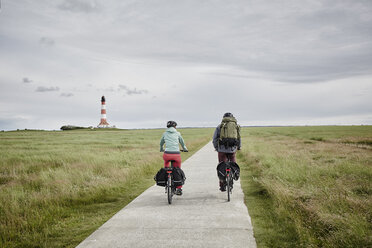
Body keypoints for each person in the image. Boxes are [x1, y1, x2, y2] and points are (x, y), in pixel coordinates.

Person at [213, 112, 241, 191]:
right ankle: (233, 176)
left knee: (221, 166)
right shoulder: (236, 126)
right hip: (232, 150)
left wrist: (216, 147)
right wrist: (238, 147)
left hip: (222, 150)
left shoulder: (220, 126)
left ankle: (222, 185)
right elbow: (239, 138)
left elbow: (214, 139)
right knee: (233, 163)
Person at [160, 120, 188, 195]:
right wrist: (185, 149)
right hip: (176, 154)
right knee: (177, 170)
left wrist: (161, 149)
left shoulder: (164, 133)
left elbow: (161, 143)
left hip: (167, 154)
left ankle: (166, 182)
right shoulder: (178, 133)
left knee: (166, 166)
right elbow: (182, 142)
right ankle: (179, 188)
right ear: (175, 126)